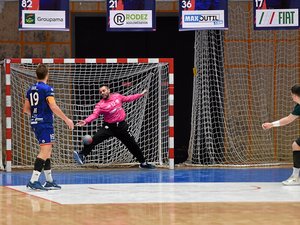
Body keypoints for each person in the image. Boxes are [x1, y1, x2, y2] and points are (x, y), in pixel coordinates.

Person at [73, 85, 155, 169]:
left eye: (104, 90)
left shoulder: (117, 96)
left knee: (132, 144)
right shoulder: (100, 105)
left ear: (108, 90)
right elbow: (94, 115)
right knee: (94, 139)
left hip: (121, 127)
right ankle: (82, 155)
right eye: (100, 92)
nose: (102, 93)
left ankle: (143, 163)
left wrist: (140, 95)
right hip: (108, 127)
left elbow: (128, 98)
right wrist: (86, 121)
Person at [23, 64, 74, 191]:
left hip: (35, 122)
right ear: (47, 74)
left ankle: (49, 181)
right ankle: (33, 180)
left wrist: (36, 115)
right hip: (44, 123)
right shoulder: (47, 89)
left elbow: (26, 109)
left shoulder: (30, 90)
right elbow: (53, 106)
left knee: (48, 150)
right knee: (45, 151)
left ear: (36, 75)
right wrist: (66, 119)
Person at [262, 84, 300, 185]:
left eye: (292, 95)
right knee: (296, 145)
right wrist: (271, 124)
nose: (291, 96)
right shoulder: (298, 107)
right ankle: (296, 177)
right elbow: (288, 119)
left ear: (296, 95)